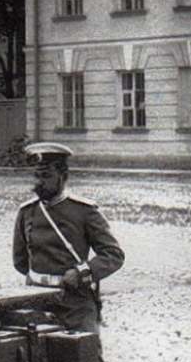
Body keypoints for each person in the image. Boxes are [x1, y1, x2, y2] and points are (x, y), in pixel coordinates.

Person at [12, 142, 124, 339]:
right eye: (36, 176)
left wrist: (82, 272)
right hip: (37, 302)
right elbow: (20, 261)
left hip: (75, 304)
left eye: (46, 176)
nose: (38, 183)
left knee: (82, 360)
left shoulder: (84, 211)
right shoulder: (27, 212)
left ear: (63, 177)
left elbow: (113, 255)